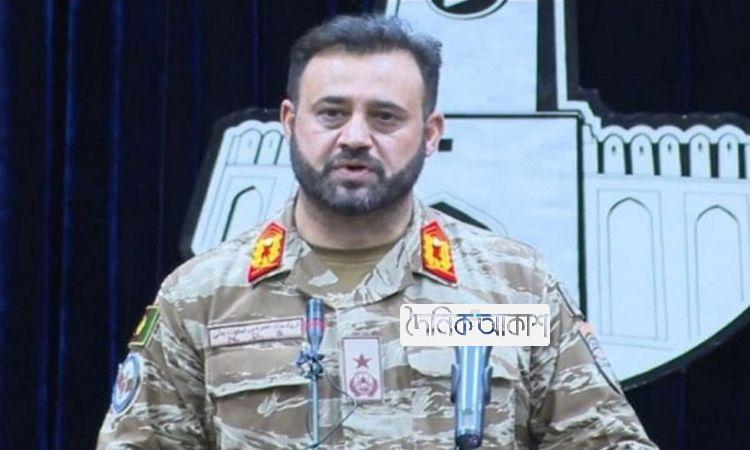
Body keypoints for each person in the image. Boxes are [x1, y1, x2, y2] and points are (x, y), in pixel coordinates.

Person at [97, 15, 658, 450]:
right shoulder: (204, 298)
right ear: (290, 122)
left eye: (385, 117)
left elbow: (605, 441)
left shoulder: (513, 287)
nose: (355, 137)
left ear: (431, 133)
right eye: (332, 113)